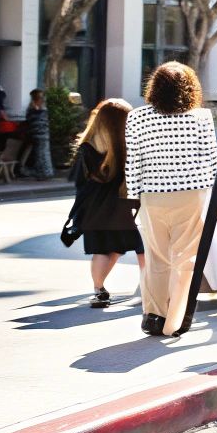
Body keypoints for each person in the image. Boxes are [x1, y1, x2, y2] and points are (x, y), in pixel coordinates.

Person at [125, 62, 217, 338]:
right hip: (192, 193)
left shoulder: (137, 118)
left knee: (156, 258)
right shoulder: (201, 117)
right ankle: (175, 320)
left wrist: (134, 196)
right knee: (185, 259)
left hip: (152, 195)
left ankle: (154, 316)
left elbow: (133, 161)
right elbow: (211, 160)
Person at [67, 99, 144, 308]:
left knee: (103, 249)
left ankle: (99, 291)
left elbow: (78, 182)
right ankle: (151, 287)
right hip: (120, 206)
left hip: (93, 209)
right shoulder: (125, 146)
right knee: (142, 247)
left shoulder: (86, 147)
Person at [21, 89, 53, 179]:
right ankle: (45, 172)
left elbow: (30, 119)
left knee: (40, 154)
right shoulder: (39, 106)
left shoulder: (33, 107)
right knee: (42, 153)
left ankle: (43, 172)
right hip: (42, 133)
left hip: (37, 133)